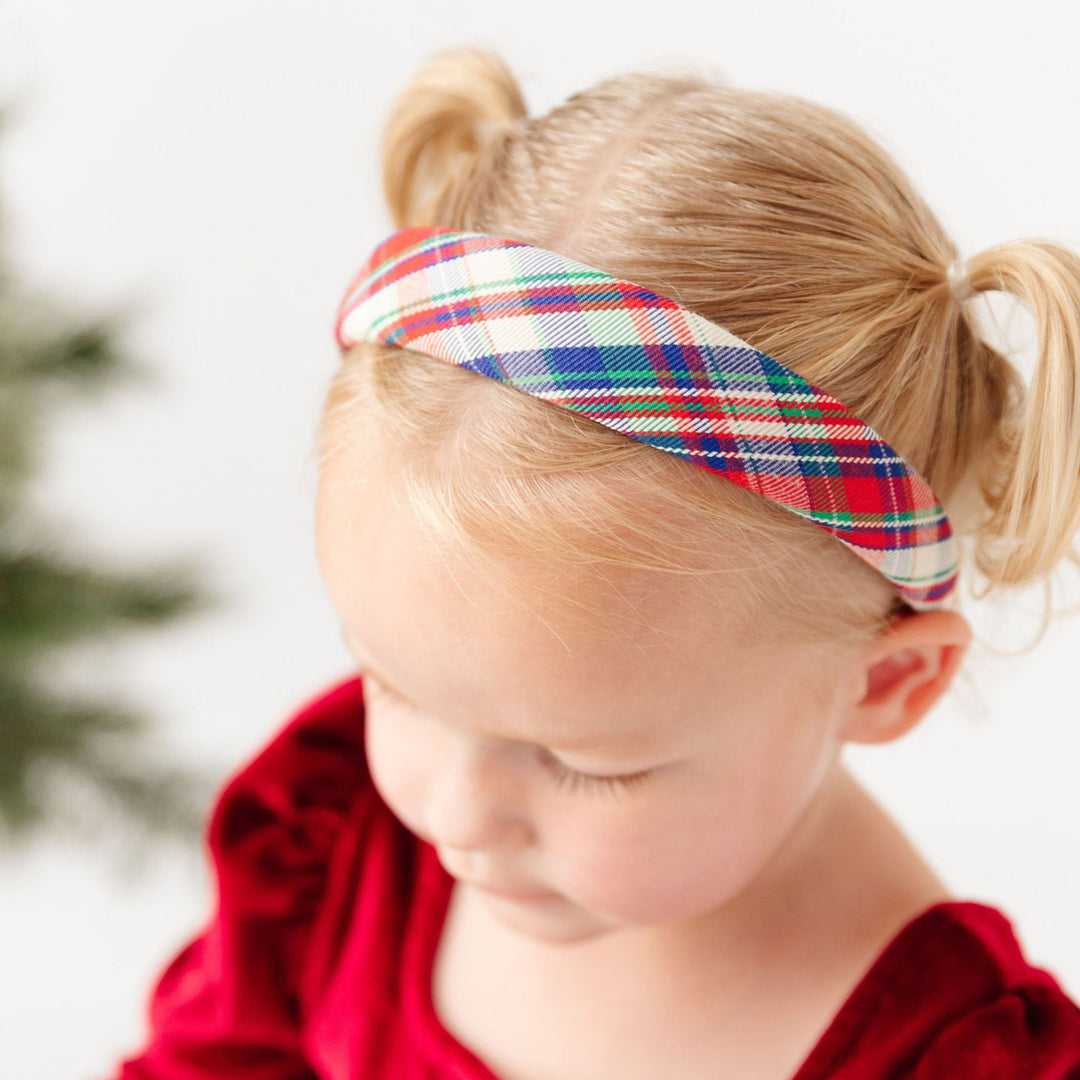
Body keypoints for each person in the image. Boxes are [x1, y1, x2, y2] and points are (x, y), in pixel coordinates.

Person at [108, 45, 1080, 1080]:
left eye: (587, 765)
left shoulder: (945, 1060)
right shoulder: (335, 842)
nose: (454, 811)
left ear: (886, 679)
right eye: (395, 686)